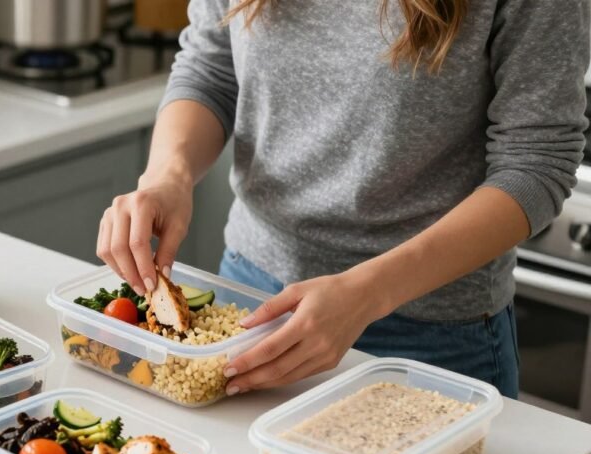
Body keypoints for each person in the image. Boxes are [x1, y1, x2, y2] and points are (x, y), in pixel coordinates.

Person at [96, 0, 589, 399]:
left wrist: (368, 293)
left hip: (426, 332)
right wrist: (168, 175)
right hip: (248, 296)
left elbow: (536, 163)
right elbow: (211, 68)